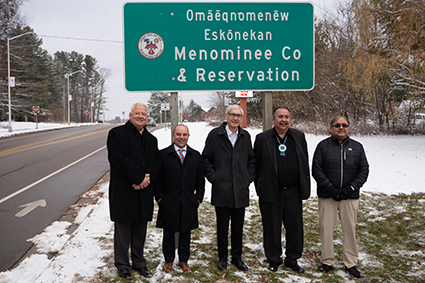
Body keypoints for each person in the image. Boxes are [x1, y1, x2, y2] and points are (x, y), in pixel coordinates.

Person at [106, 103, 160, 280]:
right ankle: (122, 265)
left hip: (143, 192)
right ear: (130, 115)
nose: (140, 116)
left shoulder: (152, 140)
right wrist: (139, 178)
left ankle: (139, 262)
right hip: (124, 191)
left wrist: (146, 179)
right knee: (123, 232)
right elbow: (119, 160)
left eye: (143, 114)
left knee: (140, 230)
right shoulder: (117, 134)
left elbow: (156, 162)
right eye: (137, 113)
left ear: (147, 117)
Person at [254, 105, 310, 273]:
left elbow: (304, 160)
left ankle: (292, 259)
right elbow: (256, 165)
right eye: (280, 116)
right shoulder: (262, 138)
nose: (283, 120)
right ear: (273, 119)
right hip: (271, 190)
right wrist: (260, 186)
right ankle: (273, 259)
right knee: (271, 226)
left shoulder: (298, 136)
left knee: (295, 226)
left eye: (286, 116)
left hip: (293, 190)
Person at [312, 116, 369, 278]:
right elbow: (316, 169)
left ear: (348, 128)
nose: (341, 128)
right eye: (337, 125)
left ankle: (350, 262)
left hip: (349, 197)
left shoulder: (357, 147)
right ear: (331, 128)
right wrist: (330, 189)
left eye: (344, 125)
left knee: (349, 229)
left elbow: (363, 170)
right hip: (327, 196)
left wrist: (350, 188)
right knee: (326, 228)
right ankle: (327, 260)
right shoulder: (322, 146)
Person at [202, 105, 256, 272]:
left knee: (238, 227)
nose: (235, 118)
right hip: (222, 190)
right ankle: (222, 258)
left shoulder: (245, 136)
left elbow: (252, 161)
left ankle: (237, 257)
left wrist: (247, 178)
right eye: (232, 115)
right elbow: (205, 160)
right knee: (222, 227)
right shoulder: (215, 135)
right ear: (226, 116)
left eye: (239, 116)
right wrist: (215, 179)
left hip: (240, 190)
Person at [154, 124, 205, 273]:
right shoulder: (163, 155)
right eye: (178, 134)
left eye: (184, 135)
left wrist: (198, 199)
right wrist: (159, 199)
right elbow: (157, 181)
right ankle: (168, 261)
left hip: (189, 202)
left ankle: (184, 261)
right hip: (168, 202)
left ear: (188, 137)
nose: (181, 137)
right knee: (168, 233)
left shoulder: (195, 156)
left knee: (185, 233)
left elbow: (200, 181)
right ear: (173, 136)